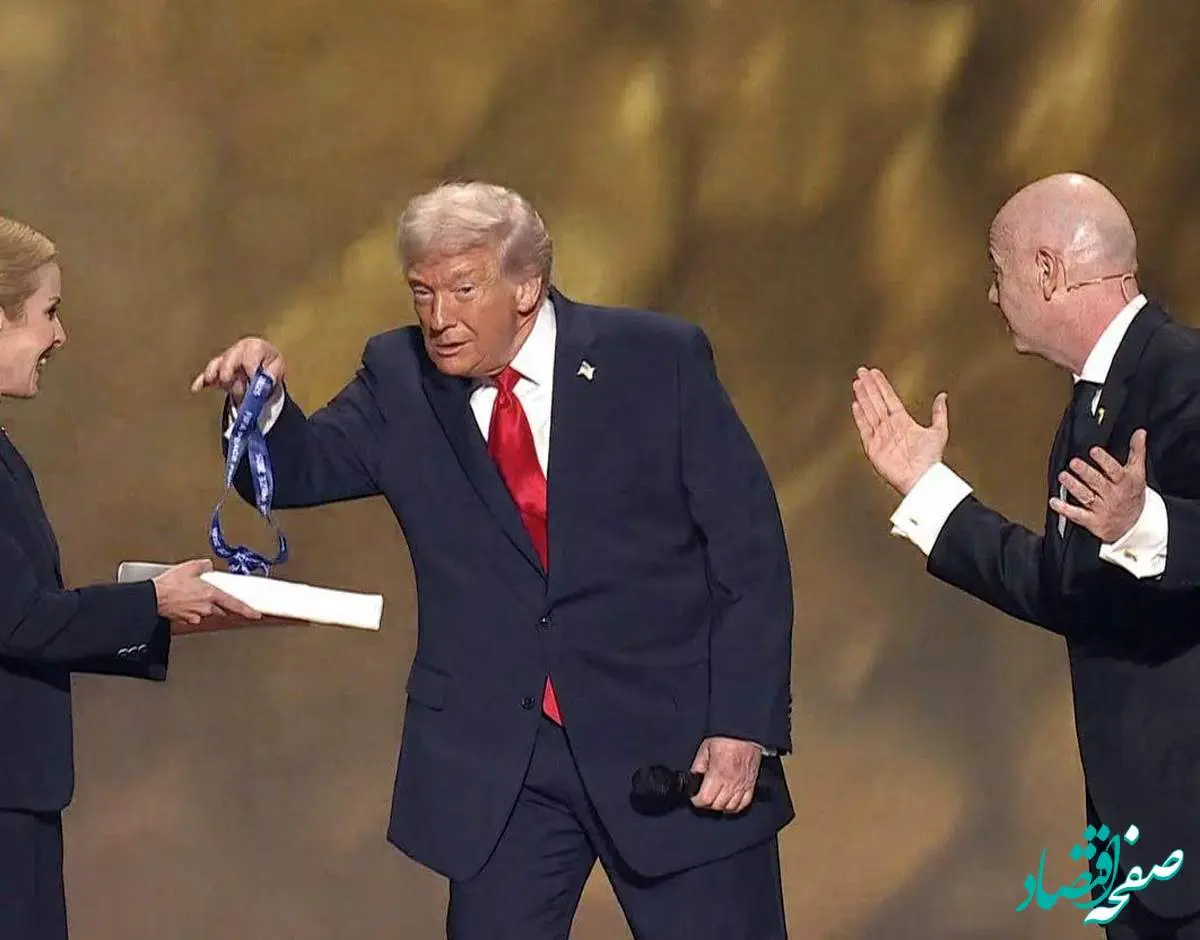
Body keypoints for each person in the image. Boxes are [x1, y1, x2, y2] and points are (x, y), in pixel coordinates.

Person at [192, 180, 796, 938]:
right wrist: (258, 407)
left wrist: (742, 726)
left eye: (463, 289)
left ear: (526, 286)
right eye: (421, 292)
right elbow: (297, 473)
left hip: (672, 745)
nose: (438, 318)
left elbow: (749, 555)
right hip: (505, 763)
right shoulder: (399, 377)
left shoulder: (655, 359)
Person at [852, 172, 1200, 939]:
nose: (991, 294)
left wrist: (1148, 523)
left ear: (1047, 270)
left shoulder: (1182, 375)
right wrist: (928, 490)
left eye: (998, 269)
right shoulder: (1094, 401)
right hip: (1136, 845)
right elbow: (1066, 590)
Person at [0, 216, 263, 940]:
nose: (60, 336)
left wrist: (165, 614)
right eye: (49, 312)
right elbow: (20, 620)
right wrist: (153, 599)